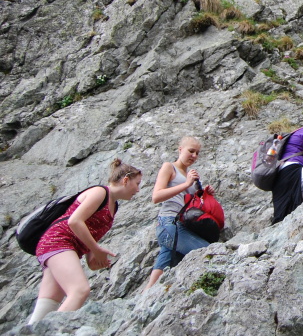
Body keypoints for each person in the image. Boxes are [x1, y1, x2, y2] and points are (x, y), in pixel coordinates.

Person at [29, 159, 142, 324]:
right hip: (58, 241)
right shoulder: (100, 193)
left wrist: (91, 258)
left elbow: (89, 231)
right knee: (79, 290)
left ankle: (32, 330)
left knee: (48, 303)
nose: (138, 190)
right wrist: (96, 250)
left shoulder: (113, 205)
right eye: (137, 184)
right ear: (125, 180)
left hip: (61, 246)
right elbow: (74, 221)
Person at [144, 136, 216, 290]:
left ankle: (145, 295)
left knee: (162, 267)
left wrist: (205, 193)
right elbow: (156, 196)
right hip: (169, 223)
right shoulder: (169, 167)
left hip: (180, 225)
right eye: (191, 151)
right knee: (210, 253)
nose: (194, 156)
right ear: (180, 149)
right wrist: (186, 184)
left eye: (197, 153)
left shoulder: (190, 176)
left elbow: (192, 204)